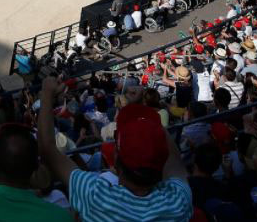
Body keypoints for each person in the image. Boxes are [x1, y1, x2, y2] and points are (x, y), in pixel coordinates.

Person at [36, 77, 192, 221]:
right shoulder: (178, 202)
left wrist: (47, 94)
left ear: (116, 158)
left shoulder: (96, 196)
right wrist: (144, 108)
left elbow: (47, 149)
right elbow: (174, 161)